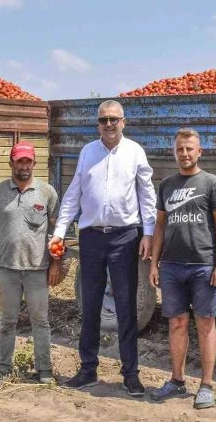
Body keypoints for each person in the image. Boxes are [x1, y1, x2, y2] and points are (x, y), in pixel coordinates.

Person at [48, 100, 156, 397]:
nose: (108, 124)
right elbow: (73, 194)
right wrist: (59, 231)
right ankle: (88, 369)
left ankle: (130, 374)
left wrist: (147, 233)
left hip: (125, 238)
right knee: (91, 304)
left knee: (125, 307)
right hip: (92, 237)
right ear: (98, 124)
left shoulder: (135, 152)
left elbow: (147, 195)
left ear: (124, 122)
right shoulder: (88, 152)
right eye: (103, 120)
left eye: (113, 119)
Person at [148, 128, 216, 409]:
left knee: (205, 323)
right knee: (176, 323)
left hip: (203, 266)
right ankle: (176, 380)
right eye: (180, 149)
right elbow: (160, 225)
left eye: (189, 149)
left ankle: (206, 385)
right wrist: (154, 263)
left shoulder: (212, 183)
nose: (184, 154)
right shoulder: (167, 185)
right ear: (175, 152)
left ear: (199, 151)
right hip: (171, 266)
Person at [0, 141, 61, 387]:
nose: (24, 166)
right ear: (11, 163)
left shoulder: (47, 192)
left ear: (34, 163)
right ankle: (4, 368)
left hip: (37, 269)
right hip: (7, 269)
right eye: (20, 161)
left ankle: (44, 369)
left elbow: (57, 231)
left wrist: (56, 265)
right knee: (7, 321)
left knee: (41, 321)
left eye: (28, 161)